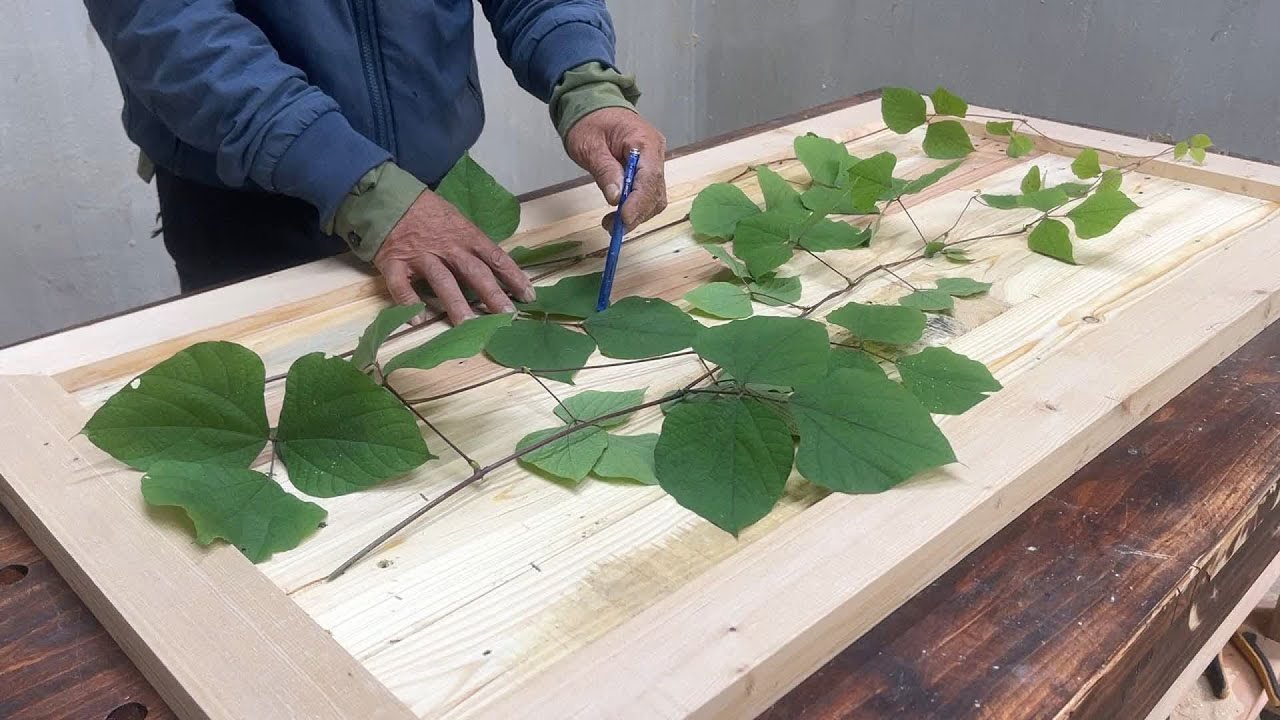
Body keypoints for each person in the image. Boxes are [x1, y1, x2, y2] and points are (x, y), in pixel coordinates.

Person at [84, 1, 668, 324]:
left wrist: (587, 83)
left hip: (431, 189)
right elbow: (172, 29)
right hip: (248, 205)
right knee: (293, 427)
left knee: (459, 389)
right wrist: (355, 183)